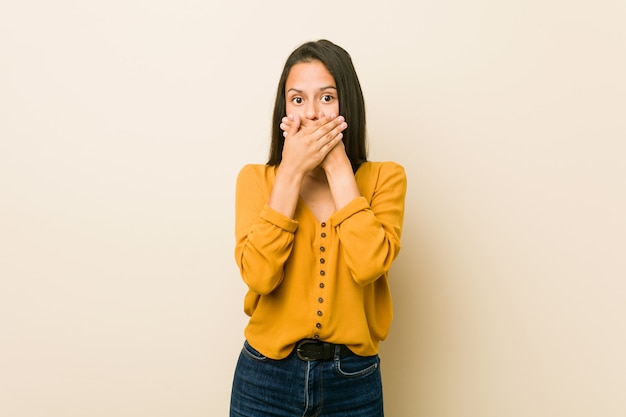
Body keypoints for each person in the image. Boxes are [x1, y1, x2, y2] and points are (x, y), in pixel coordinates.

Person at [229, 39, 406, 417]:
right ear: (284, 110)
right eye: (297, 99)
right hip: (264, 379)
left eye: (327, 98)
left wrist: (338, 167)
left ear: (348, 106)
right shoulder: (255, 180)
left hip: (353, 380)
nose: (311, 114)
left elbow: (369, 264)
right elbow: (259, 277)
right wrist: (291, 172)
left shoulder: (384, 178)